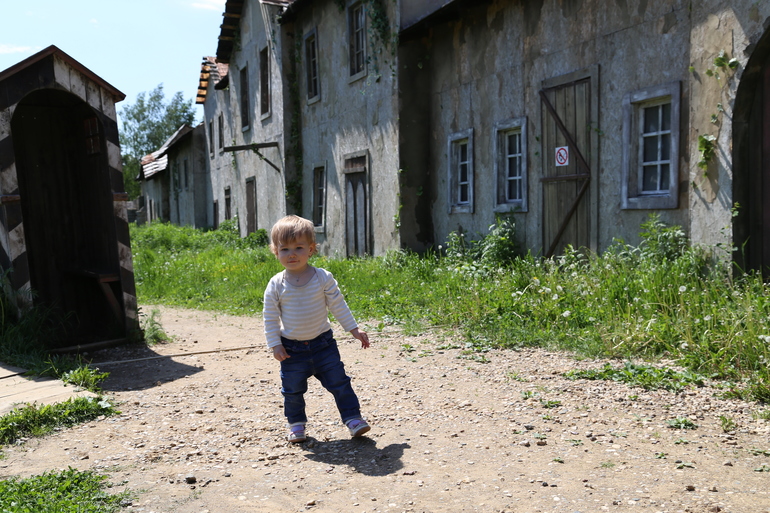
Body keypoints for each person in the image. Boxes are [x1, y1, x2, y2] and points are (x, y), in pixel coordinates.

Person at [263, 215, 371, 443]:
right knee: (292, 391)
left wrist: (354, 330)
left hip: (323, 345)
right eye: (285, 249)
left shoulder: (322, 277)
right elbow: (270, 317)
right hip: (291, 350)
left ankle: (353, 419)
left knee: (340, 383)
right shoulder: (276, 284)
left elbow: (338, 305)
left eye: (299, 247)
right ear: (275, 251)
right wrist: (275, 344)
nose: (291, 254)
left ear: (311, 249)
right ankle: (296, 425)